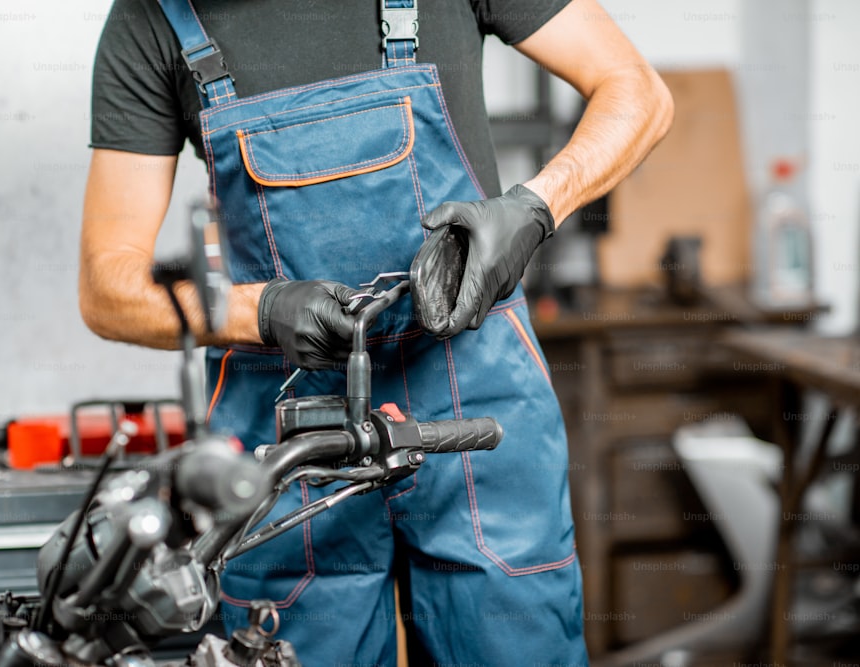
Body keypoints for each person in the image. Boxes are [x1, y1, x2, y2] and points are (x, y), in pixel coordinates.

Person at [79, 0, 673, 664]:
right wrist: (261, 311)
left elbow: (638, 92)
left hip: (474, 409)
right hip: (285, 441)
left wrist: (534, 208)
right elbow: (108, 290)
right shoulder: (153, 19)